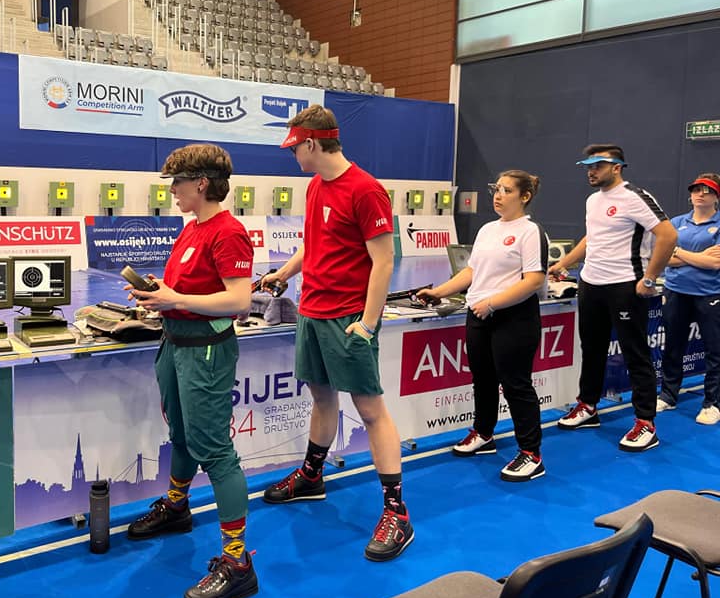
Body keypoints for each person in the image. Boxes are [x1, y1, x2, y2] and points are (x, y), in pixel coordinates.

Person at [258, 104, 413, 562]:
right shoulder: (315, 187)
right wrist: (284, 273)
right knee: (322, 398)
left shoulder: (366, 190)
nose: (293, 156)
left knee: (370, 411)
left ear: (312, 143)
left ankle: (397, 512)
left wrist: (367, 323)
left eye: (295, 148)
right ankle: (312, 475)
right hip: (311, 312)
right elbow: (313, 243)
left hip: (348, 318)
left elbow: (384, 261)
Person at [124, 144, 257, 598]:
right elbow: (186, 291)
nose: (172, 191)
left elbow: (239, 300)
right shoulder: (193, 229)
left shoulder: (229, 232)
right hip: (176, 346)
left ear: (201, 183)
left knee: (215, 451)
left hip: (205, 353)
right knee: (180, 436)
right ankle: (178, 506)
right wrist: (159, 296)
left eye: (177, 183)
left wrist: (175, 298)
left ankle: (237, 562)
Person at [417, 170, 548, 481]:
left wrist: (492, 303)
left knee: (516, 385)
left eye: (506, 190)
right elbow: (472, 271)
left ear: (525, 196)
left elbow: (534, 280)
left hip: (514, 318)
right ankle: (484, 433)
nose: (498, 196)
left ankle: (531, 454)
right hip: (478, 315)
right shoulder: (488, 229)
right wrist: (439, 292)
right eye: (496, 189)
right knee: (483, 379)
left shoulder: (530, 232)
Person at [549, 144, 677, 451]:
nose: (591, 171)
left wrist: (649, 278)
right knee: (591, 349)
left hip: (625, 287)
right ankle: (588, 406)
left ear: (616, 167)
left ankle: (645, 422)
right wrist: (564, 263)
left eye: (597, 165)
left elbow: (668, 235)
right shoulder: (593, 200)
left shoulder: (634, 197)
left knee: (636, 354)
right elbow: (592, 238)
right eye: (588, 166)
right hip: (590, 284)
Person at [657, 173, 720, 424]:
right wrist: (699, 257)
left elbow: (715, 263)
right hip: (675, 291)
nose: (700, 194)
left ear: (716, 196)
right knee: (673, 346)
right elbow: (663, 258)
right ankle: (668, 396)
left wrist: (679, 252)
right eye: (696, 189)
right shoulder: (676, 223)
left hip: (710, 294)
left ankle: (712, 403)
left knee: (714, 350)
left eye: (707, 190)